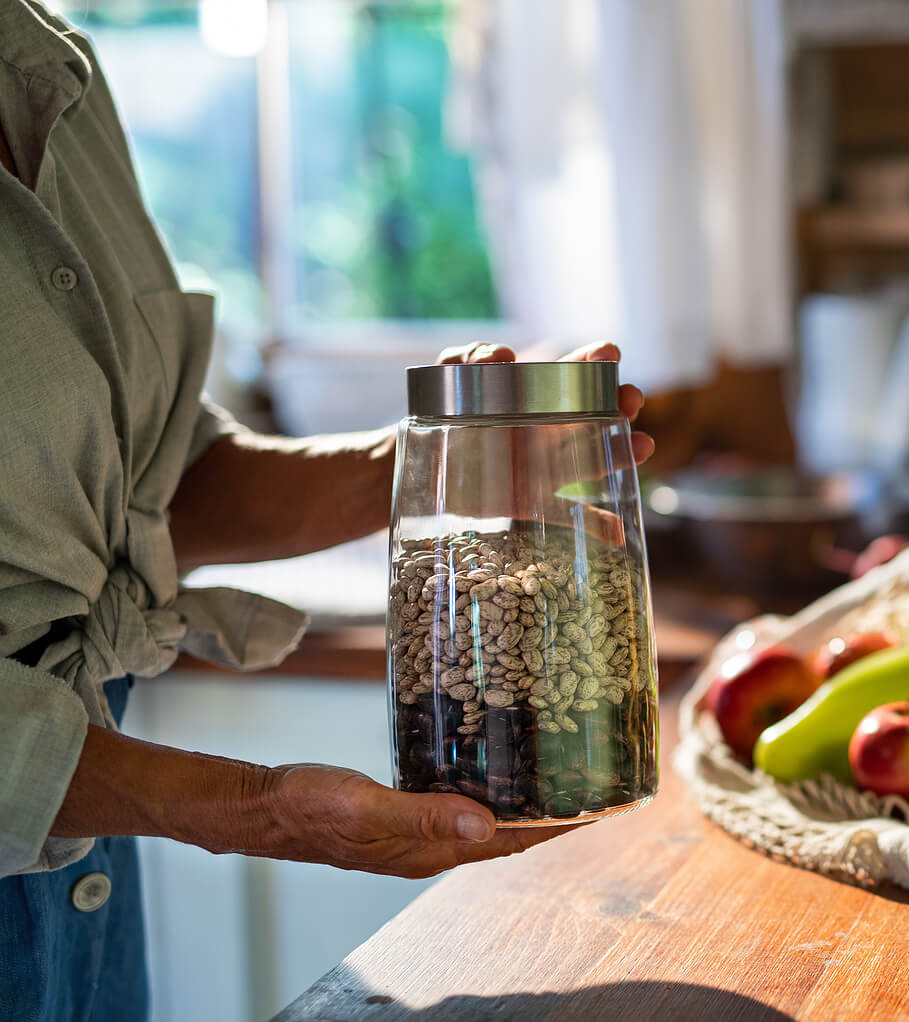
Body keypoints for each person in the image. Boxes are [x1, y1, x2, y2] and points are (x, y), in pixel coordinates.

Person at [0, 3, 652, 1019]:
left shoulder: (51, 66)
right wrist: (255, 809)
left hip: (83, 894)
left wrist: (425, 463)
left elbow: (145, 479)